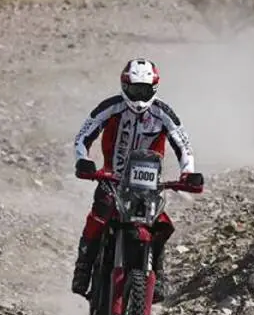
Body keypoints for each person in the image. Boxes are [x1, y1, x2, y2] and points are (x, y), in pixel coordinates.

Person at [71, 58, 197, 302]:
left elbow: (184, 145)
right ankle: (83, 268)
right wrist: (82, 159)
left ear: (154, 88)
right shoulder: (110, 107)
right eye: (134, 89)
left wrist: (188, 172)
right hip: (112, 180)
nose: (139, 97)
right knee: (97, 219)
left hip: (148, 186)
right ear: (124, 86)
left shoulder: (164, 113)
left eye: (144, 90)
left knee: (161, 224)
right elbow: (83, 135)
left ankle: (158, 273)